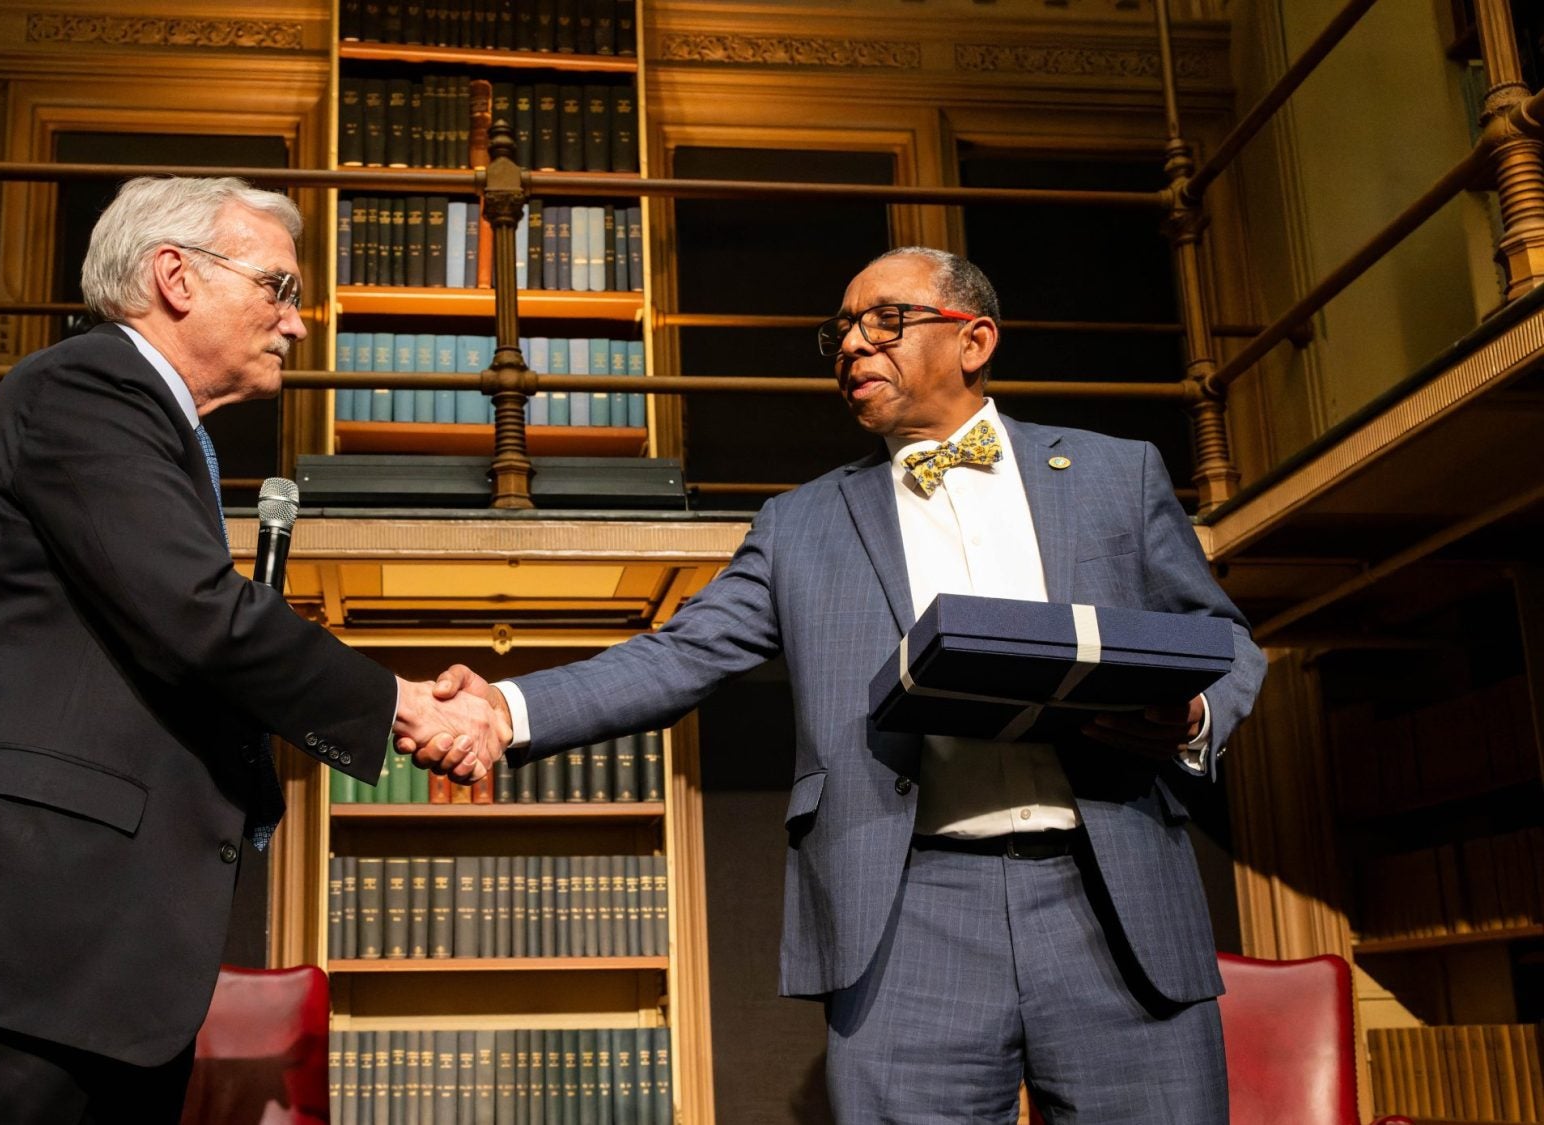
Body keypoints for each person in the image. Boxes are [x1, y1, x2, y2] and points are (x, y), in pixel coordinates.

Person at [410, 247, 1265, 1123]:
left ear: (974, 340)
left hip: (1110, 897)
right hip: (909, 912)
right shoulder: (800, 524)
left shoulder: (1117, 475)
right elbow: (679, 652)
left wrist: (1193, 713)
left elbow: (1226, 641)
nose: (852, 345)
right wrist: (505, 710)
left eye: (884, 321)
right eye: (841, 331)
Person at [0, 176, 503, 1123]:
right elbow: (197, 613)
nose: (297, 324)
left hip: (89, 971)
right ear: (175, 276)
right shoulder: (84, 388)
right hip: (19, 948)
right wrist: (407, 706)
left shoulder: (149, 425)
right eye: (279, 287)